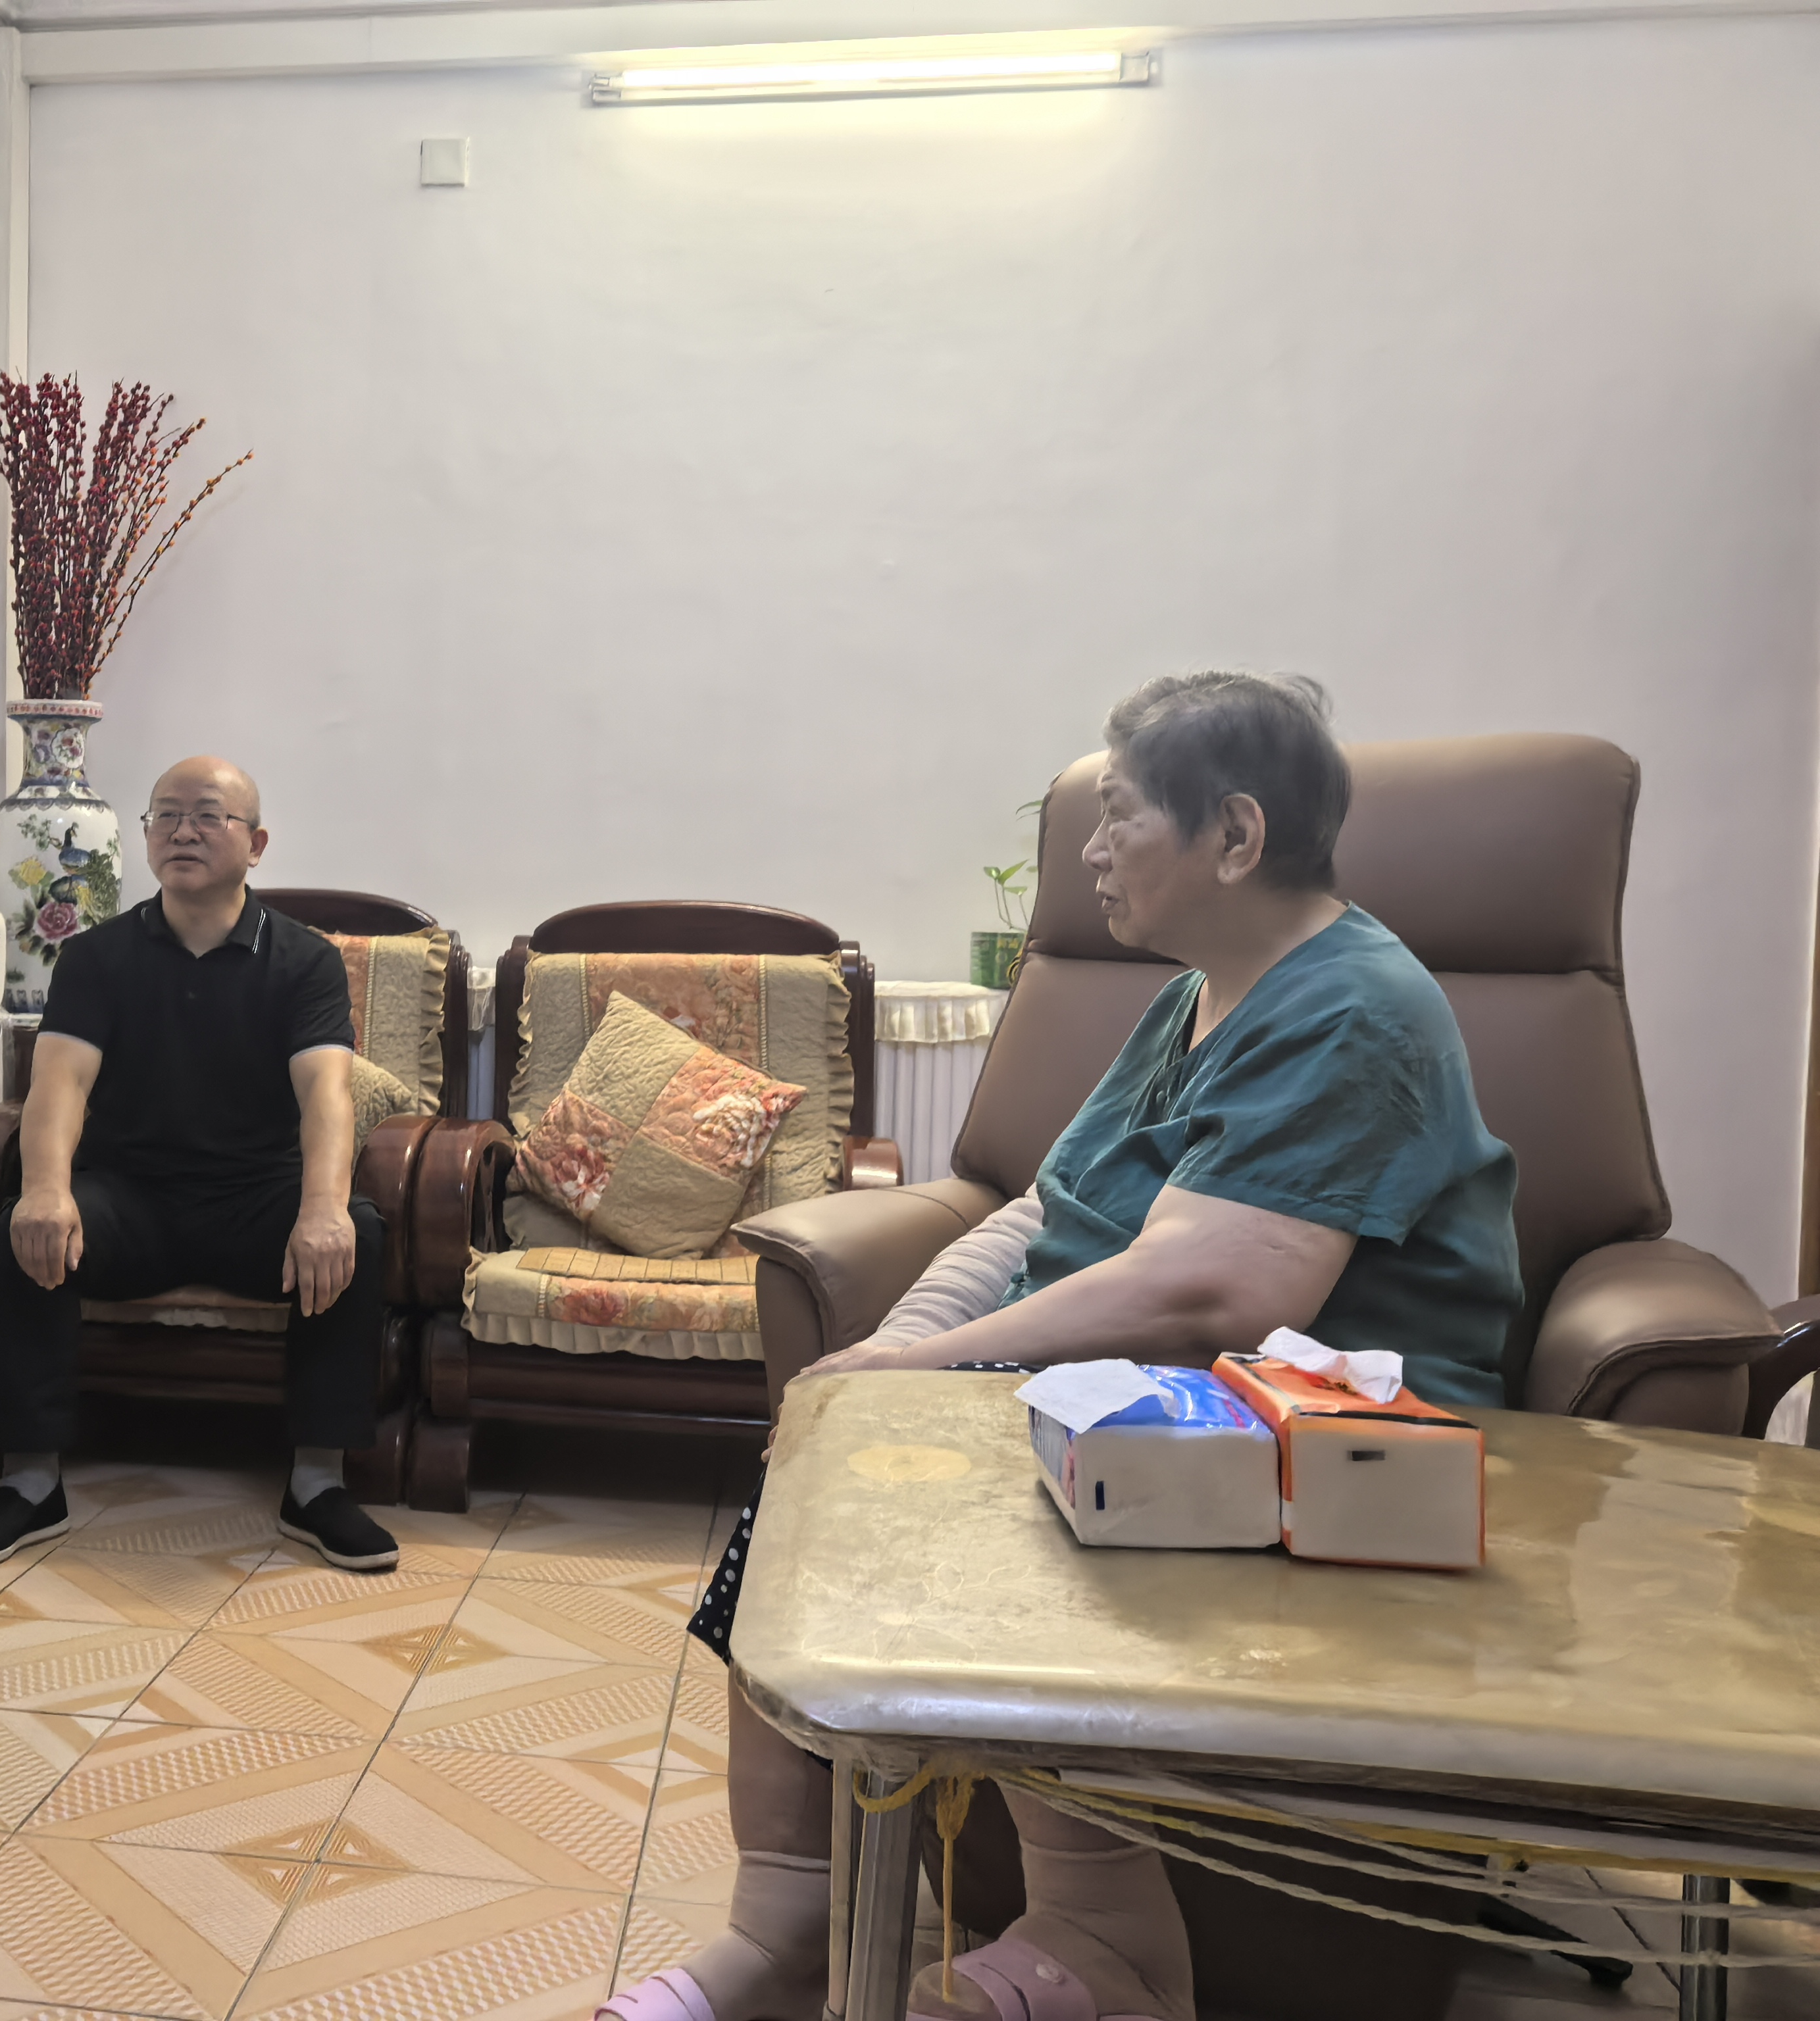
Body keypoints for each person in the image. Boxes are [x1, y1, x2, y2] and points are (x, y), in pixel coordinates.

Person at [601, 672, 1522, 2021]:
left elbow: (1217, 1287)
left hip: (1314, 1440)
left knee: (983, 1489)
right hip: (1142, 1389)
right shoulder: (1193, 997)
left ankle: (1107, 1943)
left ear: (1234, 836)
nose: (1087, 852)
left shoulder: (1351, 1006)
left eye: (1118, 815)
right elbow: (1044, 1210)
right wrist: (890, 1360)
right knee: (814, 1481)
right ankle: (786, 1915)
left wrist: (927, 1377)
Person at [0, 755, 403, 1574]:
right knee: (23, 1225)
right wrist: (45, 1190)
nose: (183, 831)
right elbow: (59, 1084)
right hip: (128, 1200)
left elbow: (326, 1095)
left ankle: (318, 1483)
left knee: (352, 1232)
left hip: (255, 1200)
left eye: (208, 815)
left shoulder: (304, 960)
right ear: (146, 837)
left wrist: (323, 1206)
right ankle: (30, 1483)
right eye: (166, 815)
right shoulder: (95, 958)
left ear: (256, 844)